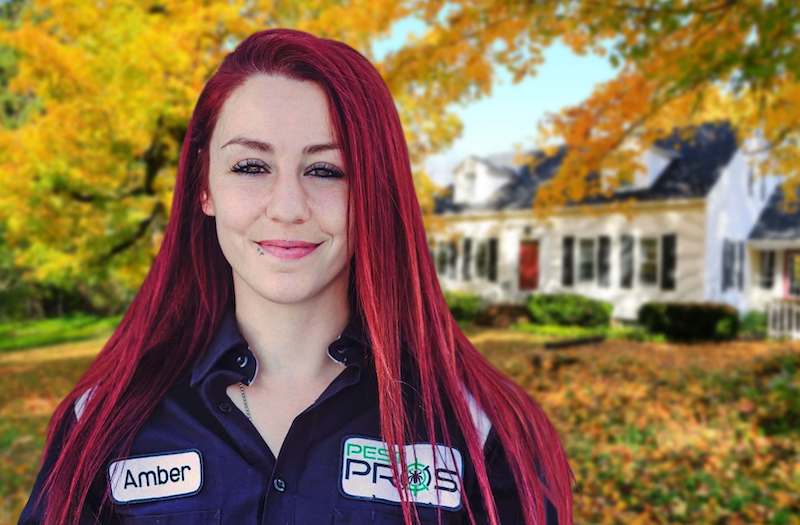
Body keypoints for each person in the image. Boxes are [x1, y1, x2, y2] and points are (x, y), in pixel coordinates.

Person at [18, 28, 574, 525]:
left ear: (375, 191)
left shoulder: (480, 428)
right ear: (204, 187)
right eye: (251, 166)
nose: (287, 207)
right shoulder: (106, 419)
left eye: (326, 170)